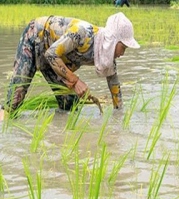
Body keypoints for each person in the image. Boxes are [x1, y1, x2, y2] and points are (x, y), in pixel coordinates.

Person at [0, 12, 140, 120]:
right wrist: (75, 81)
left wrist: (119, 115)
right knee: (13, 104)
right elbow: (51, 54)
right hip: (34, 39)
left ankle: (57, 136)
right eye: (123, 47)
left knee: (70, 105)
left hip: (54, 61)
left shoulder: (106, 55)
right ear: (112, 41)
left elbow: (114, 83)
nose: (123, 53)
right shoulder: (83, 34)